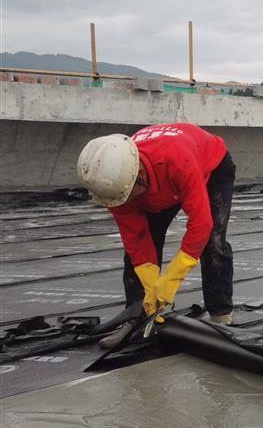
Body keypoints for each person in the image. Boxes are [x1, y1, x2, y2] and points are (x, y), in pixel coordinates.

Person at [77, 123, 235, 346]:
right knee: (136, 253)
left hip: (211, 167)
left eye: (129, 196)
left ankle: (221, 315)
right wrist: (151, 286)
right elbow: (137, 240)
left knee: (213, 242)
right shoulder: (115, 186)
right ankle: (138, 317)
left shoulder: (177, 161)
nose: (126, 202)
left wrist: (172, 279)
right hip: (162, 184)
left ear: (139, 175)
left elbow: (201, 224)